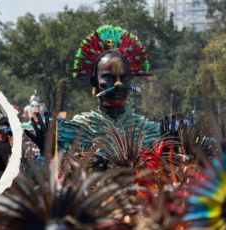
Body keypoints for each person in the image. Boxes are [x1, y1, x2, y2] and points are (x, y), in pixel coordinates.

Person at [54, 25, 160, 169]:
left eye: (124, 78)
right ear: (95, 82)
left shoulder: (150, 131)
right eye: (108, 77)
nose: (118, 84)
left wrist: (175, 149)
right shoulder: (76, 129)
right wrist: (47, 150)